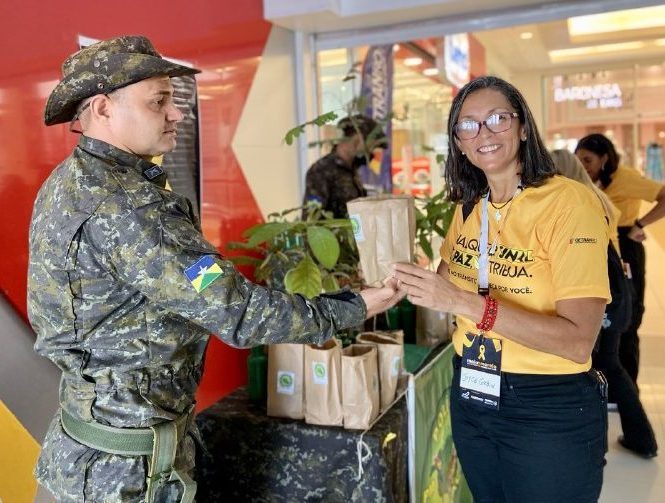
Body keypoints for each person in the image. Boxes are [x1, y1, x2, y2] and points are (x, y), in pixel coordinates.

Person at [29, 36, 403, 503]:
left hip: (82, 452)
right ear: (103, 109)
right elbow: (237, 310)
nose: (176, 114)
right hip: (126, 474)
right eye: (159, 101)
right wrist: (354, 306)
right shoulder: (130, 207)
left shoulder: (69, 181)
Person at [393, 76, 610, 502]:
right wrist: (400, 282)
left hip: (545, 403)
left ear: (523, 127)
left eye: (497, 119)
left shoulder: (568, 203)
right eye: (468, 125)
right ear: (458, 143)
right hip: (473, 390)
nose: (484, 133)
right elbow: (444, 283)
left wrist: (466, 303)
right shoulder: (471, 206)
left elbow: (577, 341)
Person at [551, 148, 657, 459]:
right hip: (614, 291)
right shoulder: (597, 197)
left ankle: (627, 440)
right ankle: (636, 438)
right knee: (607, 365)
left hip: (600, 294)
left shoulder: (577, 202)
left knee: (602, 366)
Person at [575, 134, 665, 385]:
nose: (583, 166)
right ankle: (605, 383)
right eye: (578, 160)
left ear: (604, 159)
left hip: (625, 246)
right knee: (605, 317)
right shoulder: (583, 181)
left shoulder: (625, 177)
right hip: (598, 248)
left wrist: (641, 224)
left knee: (628, 317)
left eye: (588, 160)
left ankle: (627, 383)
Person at [302, 114, 387, 219]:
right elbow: (310, 220)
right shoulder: (321, 171)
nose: (371, 152)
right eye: (372, 146)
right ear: (358, 139)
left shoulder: (352, 168)